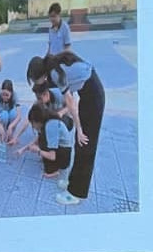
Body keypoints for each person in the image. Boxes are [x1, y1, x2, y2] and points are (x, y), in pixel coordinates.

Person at [28, 51, 105, 206]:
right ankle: (73, 181)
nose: (36, 83)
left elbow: (70, 102)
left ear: (40, 74)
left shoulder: (54, 73)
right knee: (80, 143)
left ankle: (76, 193)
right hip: (87, 96)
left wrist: (80, 129)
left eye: (34, 79)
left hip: (94, 98)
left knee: (85, 145)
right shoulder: (53, 69)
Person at [22, 102, 73, 179]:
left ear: (37, 121)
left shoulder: (50, 127)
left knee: (42, 145)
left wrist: (38, 151)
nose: (32, 126)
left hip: (64, 155)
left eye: (32, 123)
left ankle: (55, 171)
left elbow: (52, 156)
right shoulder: (47, 119)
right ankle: (54, 165)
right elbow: (38, 139)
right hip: (64, 150)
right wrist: (23, 149)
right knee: (41, 140)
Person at [0, 80, 28, 148]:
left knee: (13, 114)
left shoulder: (15, 96)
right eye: (3, 94)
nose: (5, 97)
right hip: (2, 117)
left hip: (11, 118)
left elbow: (19, 116)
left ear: (11, 93)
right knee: (4, 114)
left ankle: (10, 134)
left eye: (7, 95)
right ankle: (3, 133)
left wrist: (10, 127)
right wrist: (0, 127)